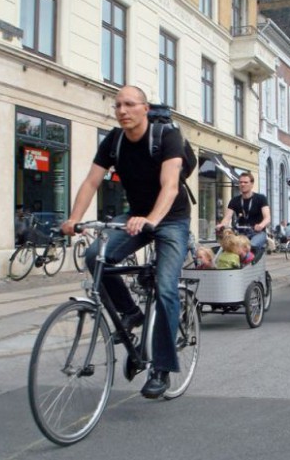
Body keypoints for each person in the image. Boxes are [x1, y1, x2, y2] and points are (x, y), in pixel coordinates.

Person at [61, 85, 190, 399]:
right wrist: (73, 219)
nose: (122, 110)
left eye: (129, 104)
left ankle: (161, 368)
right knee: (96, 257)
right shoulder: (114, 140)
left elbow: (170, 186)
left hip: (171, 219)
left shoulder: (166, 137)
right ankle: (130, 312)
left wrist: (152, 220)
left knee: (166, 287)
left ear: (145, 108)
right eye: (117, 104)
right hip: (136, 215)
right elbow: (92, 181)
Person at [216, 172, 271, 249]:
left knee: (250, 246)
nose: (242, 184)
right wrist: (222, 225)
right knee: (228, 247)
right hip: (241, 234)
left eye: (245, 182)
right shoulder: (234, 200)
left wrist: (261, 225)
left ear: (252, 184)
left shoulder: (261, 198)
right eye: (240, 182)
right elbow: (227, 217)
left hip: (257, 233)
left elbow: (267, 218)